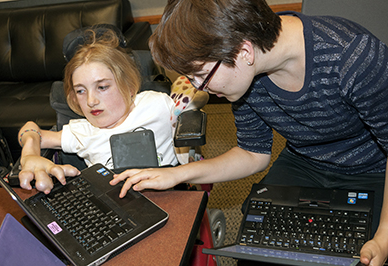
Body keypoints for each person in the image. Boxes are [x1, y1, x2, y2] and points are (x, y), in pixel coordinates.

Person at [110, 0, 388, 265]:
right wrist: (175, 174)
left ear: (244, 52)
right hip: (304, 158)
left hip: (374, 168)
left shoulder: (354, 59)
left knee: (356, 248)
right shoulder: (244, 76)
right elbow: (253, 153)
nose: (198, 88)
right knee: (257, 240)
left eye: (200, 76)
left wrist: (384, 237)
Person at [17, 28, 180, 194]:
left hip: (170, 198)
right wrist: (29, 153)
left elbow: (193, 97)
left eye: (102, 87)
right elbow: (31, 129)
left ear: (129, 86)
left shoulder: (156, 105)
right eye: (81, 91)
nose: (91, 101)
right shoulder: (81, 132)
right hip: (117, 208)